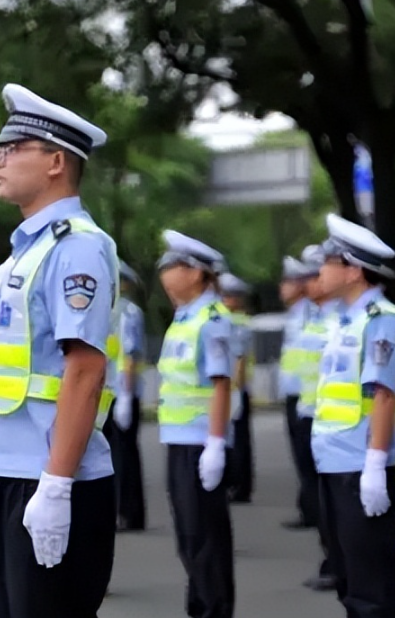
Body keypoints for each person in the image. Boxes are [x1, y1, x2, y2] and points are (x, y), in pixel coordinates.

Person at [0, 84, 117, 618]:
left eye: (14, 148)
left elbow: (85, 369)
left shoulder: (75, 245)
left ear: (56, 162)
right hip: (9, 471)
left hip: (49, 475)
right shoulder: (23, 254)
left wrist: (57, 485)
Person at [312, 213, 395, 618]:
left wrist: (374, 463)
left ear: (352, 271)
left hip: (360, 466)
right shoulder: (341, 322)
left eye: (329, 261)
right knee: (349, 579)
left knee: (373, 586)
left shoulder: (381, 320)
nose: (320, 270)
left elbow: (384, 395)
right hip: (333, 463)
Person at [157, 230, 235, 618]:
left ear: (195, 273)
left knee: (205, 538)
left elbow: (221, 384)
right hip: (178, 438)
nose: (165, 272)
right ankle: (200, 605)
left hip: (200, 442)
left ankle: (214, 608)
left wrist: (216, 443)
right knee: (189, 535)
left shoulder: (212, 319)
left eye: (173, 266)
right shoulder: (184, 318)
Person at [293, 244, 341, 593]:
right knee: (323, 500)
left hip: (338, 424)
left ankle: (338, 564)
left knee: (338, 509)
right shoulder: (314, 315)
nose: (312, 282)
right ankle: (332, 560)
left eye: (315, 275)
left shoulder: (341, 316)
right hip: (313, 413)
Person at [103, 259, 147, 531]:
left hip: (122, 392)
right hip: (108, 393)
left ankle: (130, 512)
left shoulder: (129, 312)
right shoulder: (106, 311)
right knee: (112, 455)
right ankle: (119, 509)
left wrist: (127, 396)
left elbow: (129, 356)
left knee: (125, 456)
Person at [278, 255, 317, 529]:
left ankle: (314, 511)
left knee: (309, 460)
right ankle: (308, 509)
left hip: (307, 395)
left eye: (288, 281)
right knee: (301, 459)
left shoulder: (310, 312)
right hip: (294, 394)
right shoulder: (295, 313)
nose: (283, 287)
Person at [219, 271, 254, 504]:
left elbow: (240, 360)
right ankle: (234, 482)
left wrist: (236, 390)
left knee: (239, 441)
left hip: (235, 389)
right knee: (231, 439)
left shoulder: (238, 322)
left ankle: (240, 486)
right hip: (230, 388)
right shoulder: (231, 320)